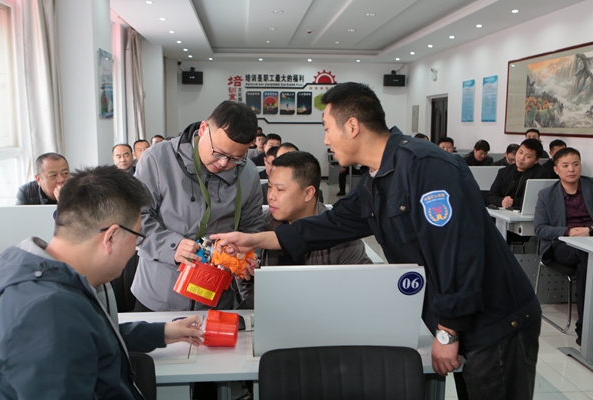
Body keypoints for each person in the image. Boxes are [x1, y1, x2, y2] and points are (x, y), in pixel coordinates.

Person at [212, 82, 541, 400]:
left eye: (327, 128)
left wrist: (448, 331)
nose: (325, 140)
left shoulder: (426, 166)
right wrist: (253, 240)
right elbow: (329, 224)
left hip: (496, 321)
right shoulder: (377, 179)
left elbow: (457, 250)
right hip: (464, 320)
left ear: (352, 126)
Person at [0, 165, 203, 399]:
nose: (135, 247)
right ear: (111, 237)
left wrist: (160, 332)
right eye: (137, 236)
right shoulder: (49, 311)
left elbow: (91, 336)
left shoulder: (35, 270)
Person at [132, 101, 263, 312]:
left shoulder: (248, 173)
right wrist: (172, 246)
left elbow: (253, 226)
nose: (223, 163)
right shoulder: (157, 159)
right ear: (203, 129)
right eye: (218, 153)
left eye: (235, 158)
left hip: (216, 298)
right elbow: (135, 218)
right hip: (159, 295)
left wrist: (245, 254)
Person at [263, 151, 371, 266]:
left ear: (308, 193)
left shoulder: (340, 235)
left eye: (280, 189)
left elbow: (362, 275)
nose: (270, 196)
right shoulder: (263, 223)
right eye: (269, 187)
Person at [534, 147, 592, 347]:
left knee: (586, 264)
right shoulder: (546, 194)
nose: (571, 169)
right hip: (562, 245)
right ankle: (586, 329)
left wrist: (589, 230)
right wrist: (569, 231)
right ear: (556, 169)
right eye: (565, 165)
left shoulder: (591, 186)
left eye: (575, 164)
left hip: (590, 240)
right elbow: (540, 229)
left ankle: (586, 328)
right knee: (587, 259)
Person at [487, 139, 551, 210]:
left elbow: (535, 201)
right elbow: (491, 196)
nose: (521, 158)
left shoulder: (542, 174)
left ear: (536, 160)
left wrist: (512, 202)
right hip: (501, 213)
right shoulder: (504, 171)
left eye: (528, 156)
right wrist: (501, 201)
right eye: (520, 152)